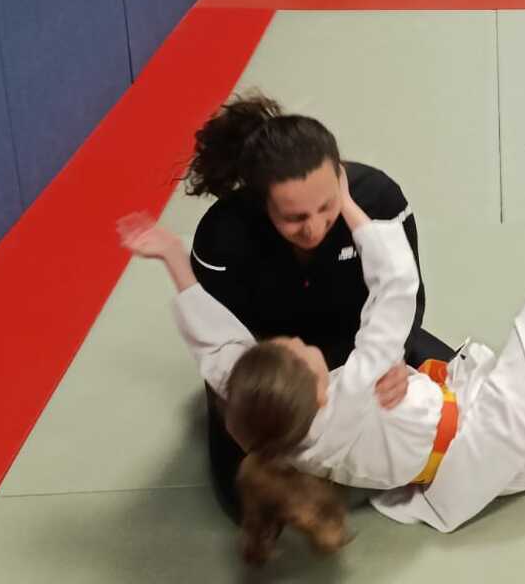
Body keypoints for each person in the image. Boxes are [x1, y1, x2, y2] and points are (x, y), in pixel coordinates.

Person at [118, 195, 525, 551]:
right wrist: (349, 205)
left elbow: (219, 352)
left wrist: (174, 257)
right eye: (303, 354)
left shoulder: (272, 420)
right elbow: (395, 289)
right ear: (319, 391)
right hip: (498, 437)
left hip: (473, 437)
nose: (302, 344)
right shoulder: (349, 393)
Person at [183, 93, 456, 520]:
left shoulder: (379, 199)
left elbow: (406, 292)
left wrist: (395, 360)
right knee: (252, 506)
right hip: (281, 372)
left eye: (327, 207)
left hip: (362, 344)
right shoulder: (223, 237)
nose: (313, 228)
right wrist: (263, 411)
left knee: (463, 420)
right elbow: (223, 340)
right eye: (294, 218)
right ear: (261, 202)